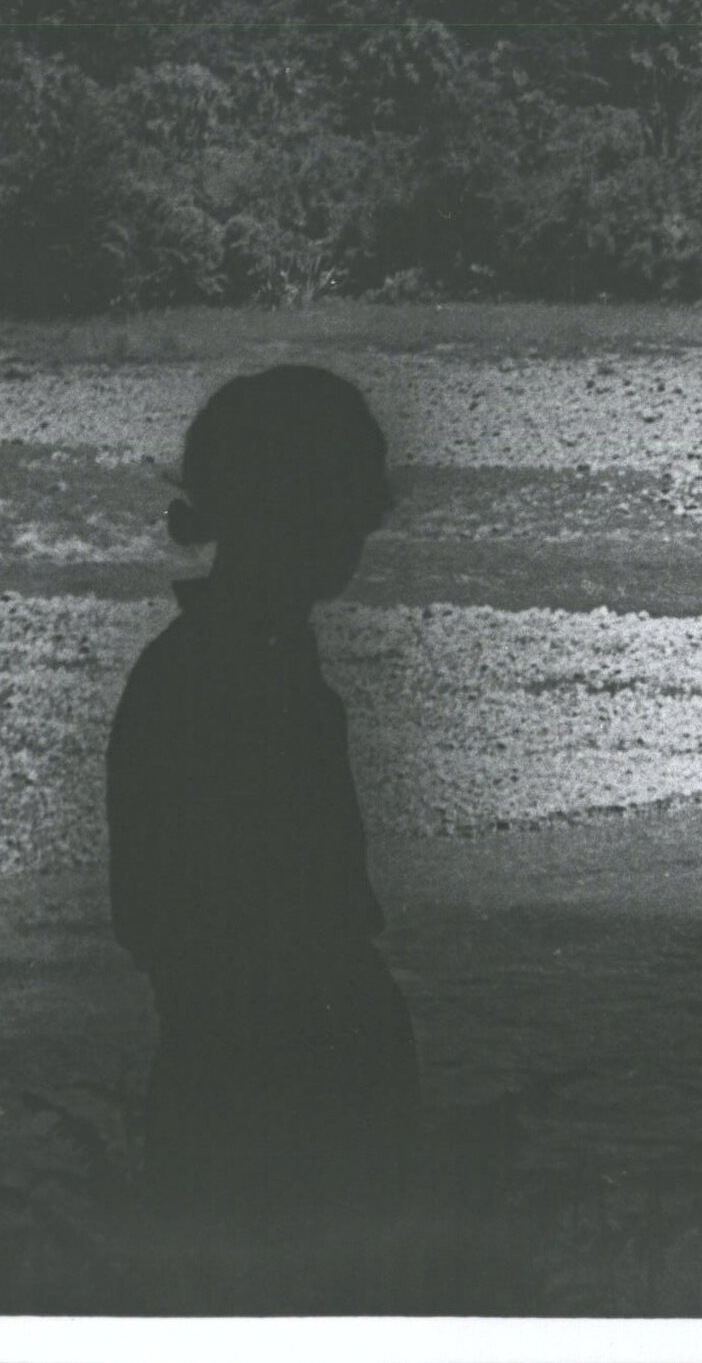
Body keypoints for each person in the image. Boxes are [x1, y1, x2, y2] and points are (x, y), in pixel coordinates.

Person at [106, 365, 418, 1234]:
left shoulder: (219, 666)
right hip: (276, 1120)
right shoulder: (235, 680)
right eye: (346, 499)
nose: (362, 525)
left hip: (246, 1103)